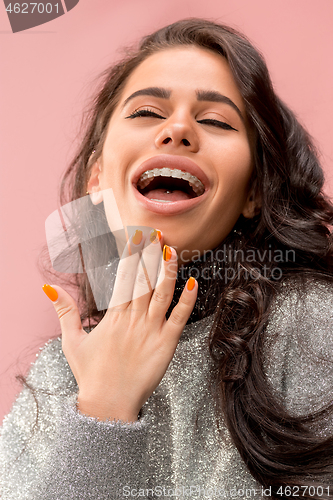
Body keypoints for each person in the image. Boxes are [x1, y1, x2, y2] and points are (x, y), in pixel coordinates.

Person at [1, 17, 333, 500]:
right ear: (97, 179)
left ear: (254, 194)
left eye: (217, 121)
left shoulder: (308, 321)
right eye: (145, 113)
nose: (177, 129)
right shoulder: (60, 368)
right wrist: (104, 406)